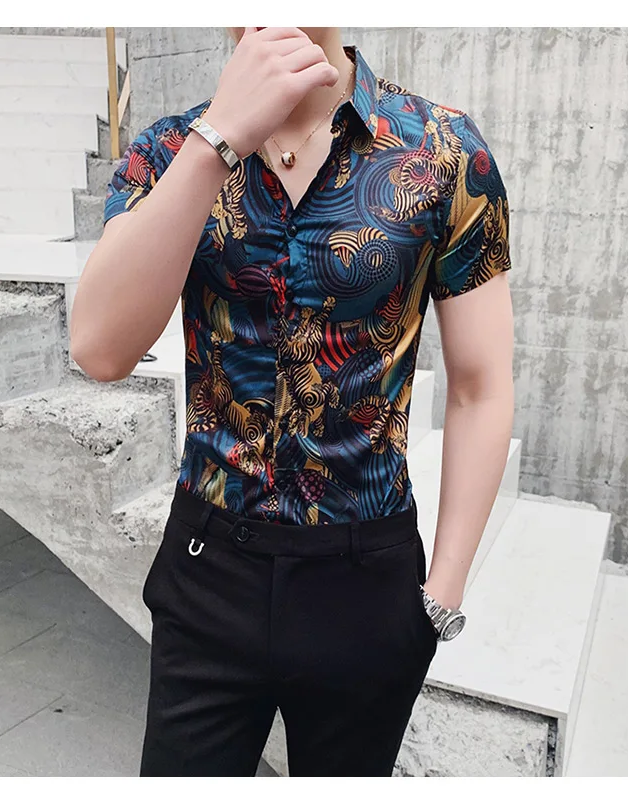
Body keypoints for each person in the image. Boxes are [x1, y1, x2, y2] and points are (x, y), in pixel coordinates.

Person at [70, 26, 514, 777]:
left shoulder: (443, 151)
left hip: (365, 577)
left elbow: (482, 385)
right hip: (210, 568)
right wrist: (219, 139)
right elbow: (100, 349)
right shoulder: (168, 149)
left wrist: (441, 594)